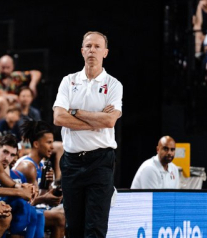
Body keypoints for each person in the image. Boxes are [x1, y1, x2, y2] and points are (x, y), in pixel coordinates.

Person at [52, 30, 122, 238]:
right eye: (88, 46)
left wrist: (75, 112)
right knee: (73, 226)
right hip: (72, 161)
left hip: (100, 161)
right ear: (82, 51)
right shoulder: (69, 81)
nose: (92, 50)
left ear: (105, 52)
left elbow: (109, 121)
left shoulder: (113, 85)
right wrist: (94, 120)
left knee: (95, 227)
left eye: (97, 46)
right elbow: (58, 118)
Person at [13, 120, 65, 238]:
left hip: (34, 210)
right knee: (60, 217)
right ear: (36, 144)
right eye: (49, 142)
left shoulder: (41, 164)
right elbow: (26, 202)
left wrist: (48, 188)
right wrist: (46, 198)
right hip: (20, 213)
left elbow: (38, 196)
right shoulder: (28, 167)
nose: (52, 147)